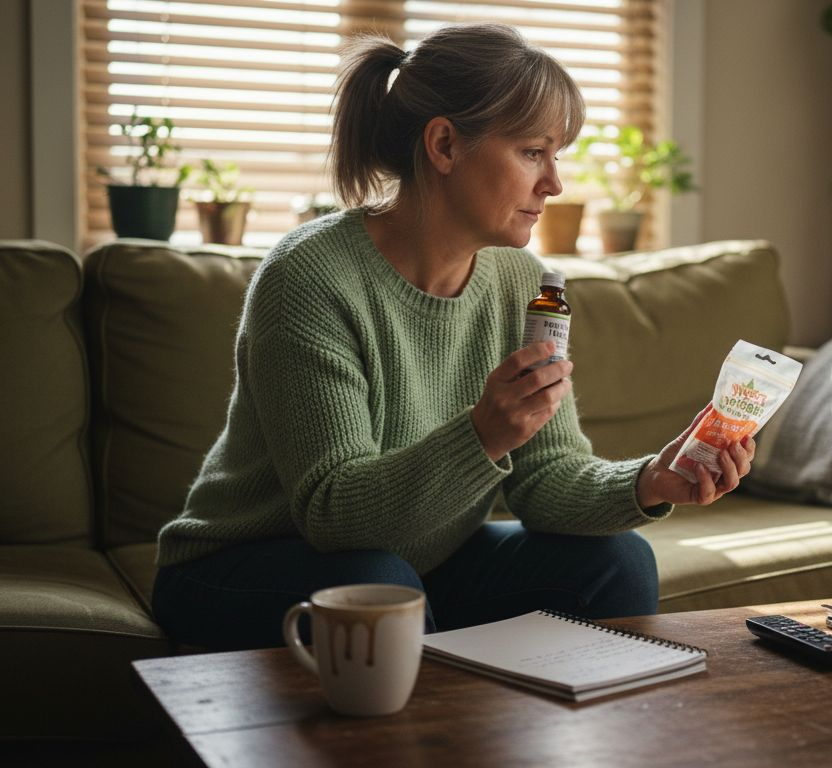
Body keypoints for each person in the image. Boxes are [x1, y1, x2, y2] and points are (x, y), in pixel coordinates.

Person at [151, 23, 756, 651]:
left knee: (618, 561)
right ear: (444, 145)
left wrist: (651, 480)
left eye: (557, 156)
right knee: (381, 584)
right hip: (242, 567)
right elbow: (332, 515)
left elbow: (547, 479)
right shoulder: (309, 278)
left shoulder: (522, 281)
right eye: (532, 152)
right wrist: (483, 434)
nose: (554, 183)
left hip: (416, 565)